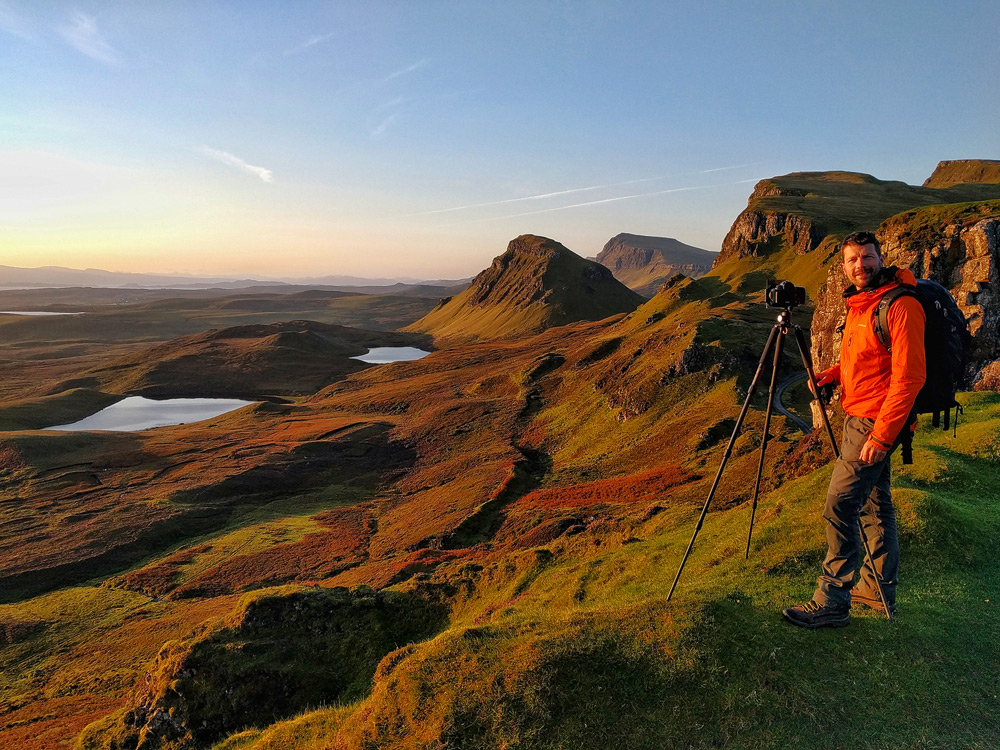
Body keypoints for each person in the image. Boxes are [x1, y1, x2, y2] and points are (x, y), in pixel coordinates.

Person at [783, 231, 926, 628]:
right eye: (851, 260)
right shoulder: (861, 304)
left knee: (840, 505)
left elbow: (909, 378)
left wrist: (881, 436)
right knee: (876, 507)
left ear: (881, 258)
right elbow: (866, 360)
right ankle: (877, 591)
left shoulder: (900, 305)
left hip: (876, 421)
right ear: (844, 266)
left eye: (867, 258)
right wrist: (831, 375)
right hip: (859, 413)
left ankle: (832, 599)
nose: (859, 266)